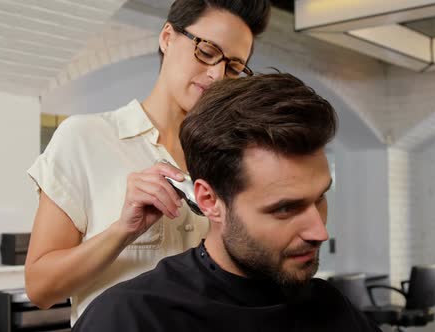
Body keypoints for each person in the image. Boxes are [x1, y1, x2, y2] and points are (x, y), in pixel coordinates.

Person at [25, 0, 271, 325]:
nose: (217, 74)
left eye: (234, 67)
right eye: (207, 52)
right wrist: (123, 231)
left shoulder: (227, 161)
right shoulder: (85, 137)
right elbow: (40, 289)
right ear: (167, 37)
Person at [72, 73, 381, 332]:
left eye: (321, 198)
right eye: (285, 209)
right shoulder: (131, 317)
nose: (319, 232)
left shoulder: (332, 309)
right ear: (209, 200)